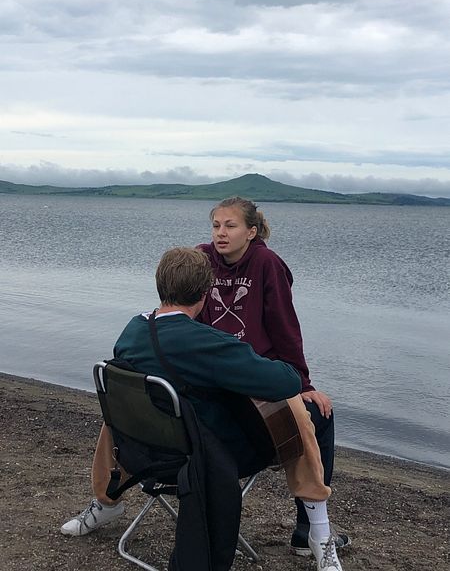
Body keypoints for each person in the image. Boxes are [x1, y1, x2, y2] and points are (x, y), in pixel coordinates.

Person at [62, 247, 344, 571]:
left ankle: (106, 501)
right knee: (304, 413)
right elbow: (286, 381)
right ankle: (316, 531)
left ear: (160, 284)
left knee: (127, 402)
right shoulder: (205, 343)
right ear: (205, 292)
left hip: (138, 453)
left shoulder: (133, 330)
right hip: (198, 461)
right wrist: (246, 361)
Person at [196, 196, 350, 556]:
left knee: (319, 411)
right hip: (219, 385)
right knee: (312, 421)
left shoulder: (267, 264)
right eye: (216, 225)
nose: (220, 233)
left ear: (251, 232)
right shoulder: (202, 259)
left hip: (258, 376)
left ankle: (304, 531)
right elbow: (191, 312)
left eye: (230, 226)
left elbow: (284, 327)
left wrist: (302, 384)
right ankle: (312, 530)